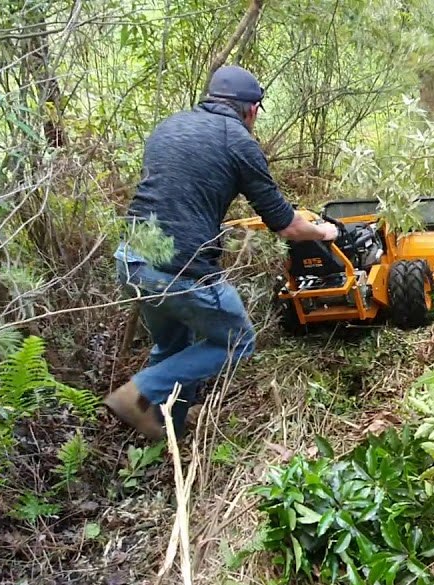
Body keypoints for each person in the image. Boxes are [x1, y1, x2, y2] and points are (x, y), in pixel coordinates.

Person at [104, 65, 338, 441]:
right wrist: (324, 230)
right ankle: (139, 392)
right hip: (181, 271)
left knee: (172, 345)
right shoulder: (237, 140)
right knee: (238, 340)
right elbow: (287, 225)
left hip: (132, 260)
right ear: (253, 109)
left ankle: (168, 435)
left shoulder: (169, 126)